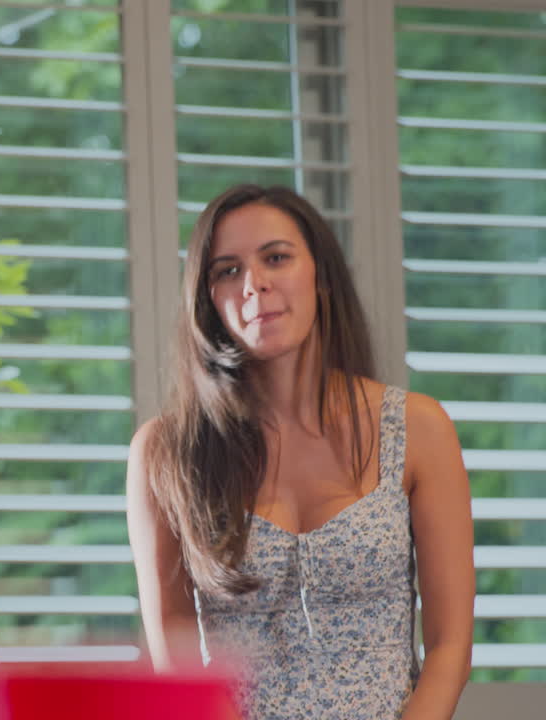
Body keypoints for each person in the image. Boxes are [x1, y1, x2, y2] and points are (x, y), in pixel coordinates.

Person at [127, 184, 474, 719]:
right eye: (227, 270)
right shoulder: (166, 452)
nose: (254, 284)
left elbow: (450, 647)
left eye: (276, 258)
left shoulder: (419, 429)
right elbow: (174, 665)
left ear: (322, 277)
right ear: (208, 301)